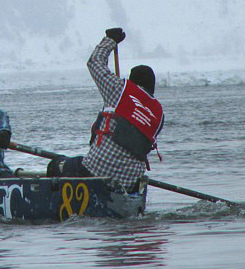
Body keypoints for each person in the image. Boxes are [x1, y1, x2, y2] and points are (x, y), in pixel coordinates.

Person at [48, 28, 164, 192]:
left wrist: (110, 40)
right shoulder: (159, 114)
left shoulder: (119, 89)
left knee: (56, 165)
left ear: (131, 81)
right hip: (130, 183)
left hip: (96, 172)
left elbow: (94, 62)